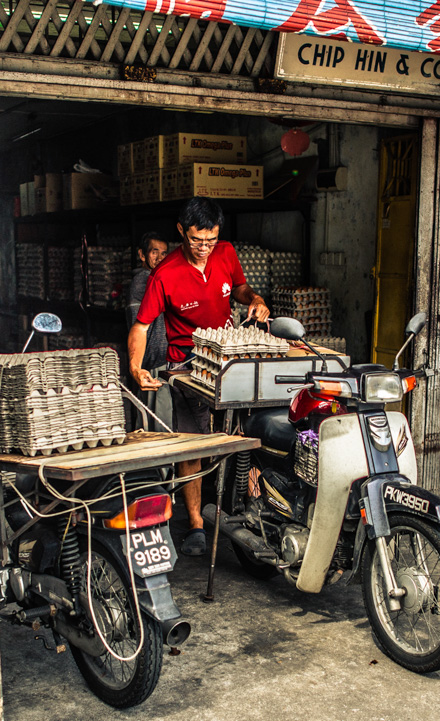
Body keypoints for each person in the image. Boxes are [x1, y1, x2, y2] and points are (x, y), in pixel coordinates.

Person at [128, 197, 269, 557]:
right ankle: (195, 522)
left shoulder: (225, 253)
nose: (204, 248)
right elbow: (141, 327)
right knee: (192, 444)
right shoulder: (166, 274)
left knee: (244, 433)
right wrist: (135, 365)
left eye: (210, 240)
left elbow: (238, 288)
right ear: (181, 232)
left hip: (227, 361)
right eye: (196, 240)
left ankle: (253, 507)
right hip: (186, 365)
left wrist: (253, 297)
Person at [126, 231, 171, 431]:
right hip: (153, 364)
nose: (160, 258)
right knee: (158, 423)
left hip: (156, 363)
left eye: (164, 253)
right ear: (142, 255)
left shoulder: (157, 278)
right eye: (155, 252)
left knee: (153, 419)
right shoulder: (144, 280)